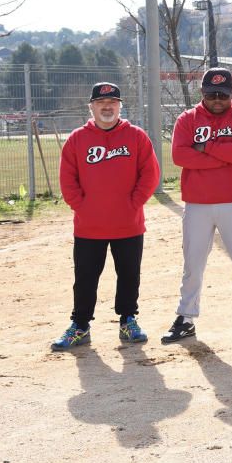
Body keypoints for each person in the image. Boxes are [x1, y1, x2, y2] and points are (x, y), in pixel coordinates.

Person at [161, 68, 232, 344]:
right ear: (202, 94)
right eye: (212, 95)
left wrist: (205, 147)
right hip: (197, 203)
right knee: (193, 263)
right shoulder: (187, 119)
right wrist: (224, 155)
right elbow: (180, 156)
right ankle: (186, 318)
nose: (218, 100)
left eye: (223, 95)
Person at [51, 82, 159, 350]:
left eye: (112, 103)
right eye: (101, 103)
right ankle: (80, 325)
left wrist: (133, 203)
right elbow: (68, 179)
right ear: (92, 107)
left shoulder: (136, 136)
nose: (107, 107)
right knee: (85, 277)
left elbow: (150, 174)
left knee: (129, 274)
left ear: (120, 106)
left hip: (128, 223)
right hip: (89, 226)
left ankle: (127, 320)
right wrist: (83, 207)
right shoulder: (77, 138)